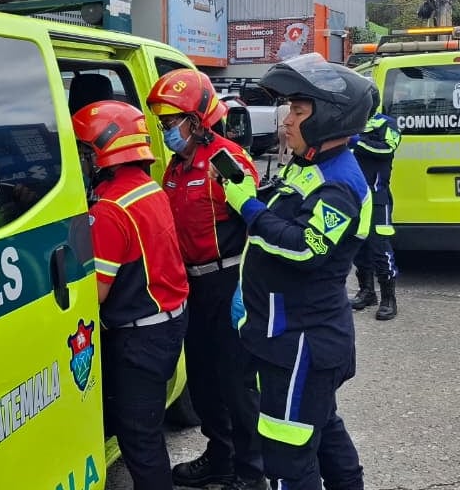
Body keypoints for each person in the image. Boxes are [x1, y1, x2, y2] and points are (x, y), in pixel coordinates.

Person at [219, 53, 375, 490]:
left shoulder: (338, 184)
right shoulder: (311, 166)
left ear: (328, 118)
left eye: (299, 111)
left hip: (301, 342)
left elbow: (306, 248)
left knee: (287, 456)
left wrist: (246, 206)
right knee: (322, 431)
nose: (286, 121)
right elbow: (285, 215)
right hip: (289, 335)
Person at [146, 69, 267, 490]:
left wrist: (246, 289)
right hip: (192, 287)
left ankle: (252, 475)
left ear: (196, 121)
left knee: (236, 385)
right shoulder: (175, 170)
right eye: (162, 124)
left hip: (228, 283)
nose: (166, 131)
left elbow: (258, 224)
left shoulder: (226, 161)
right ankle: (220, 458)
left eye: (170, 122)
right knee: (203, 381)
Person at [72, 100, 190, 490]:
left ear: (102, 151)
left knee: (139, 439)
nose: (81, 160)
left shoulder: (107, 210)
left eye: (84, 151)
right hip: (168, 322)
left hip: (138, 338)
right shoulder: (146, 188)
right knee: (147, 428)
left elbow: (94, 295)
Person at [349, 101, 403, 320]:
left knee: (379, 245)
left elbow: (387, 148)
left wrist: (357, 141)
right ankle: (366, 291)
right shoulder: (352, 123)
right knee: (358, 244)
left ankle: (389, 298)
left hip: (377, 195)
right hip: (354, 195)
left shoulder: (386, 123)